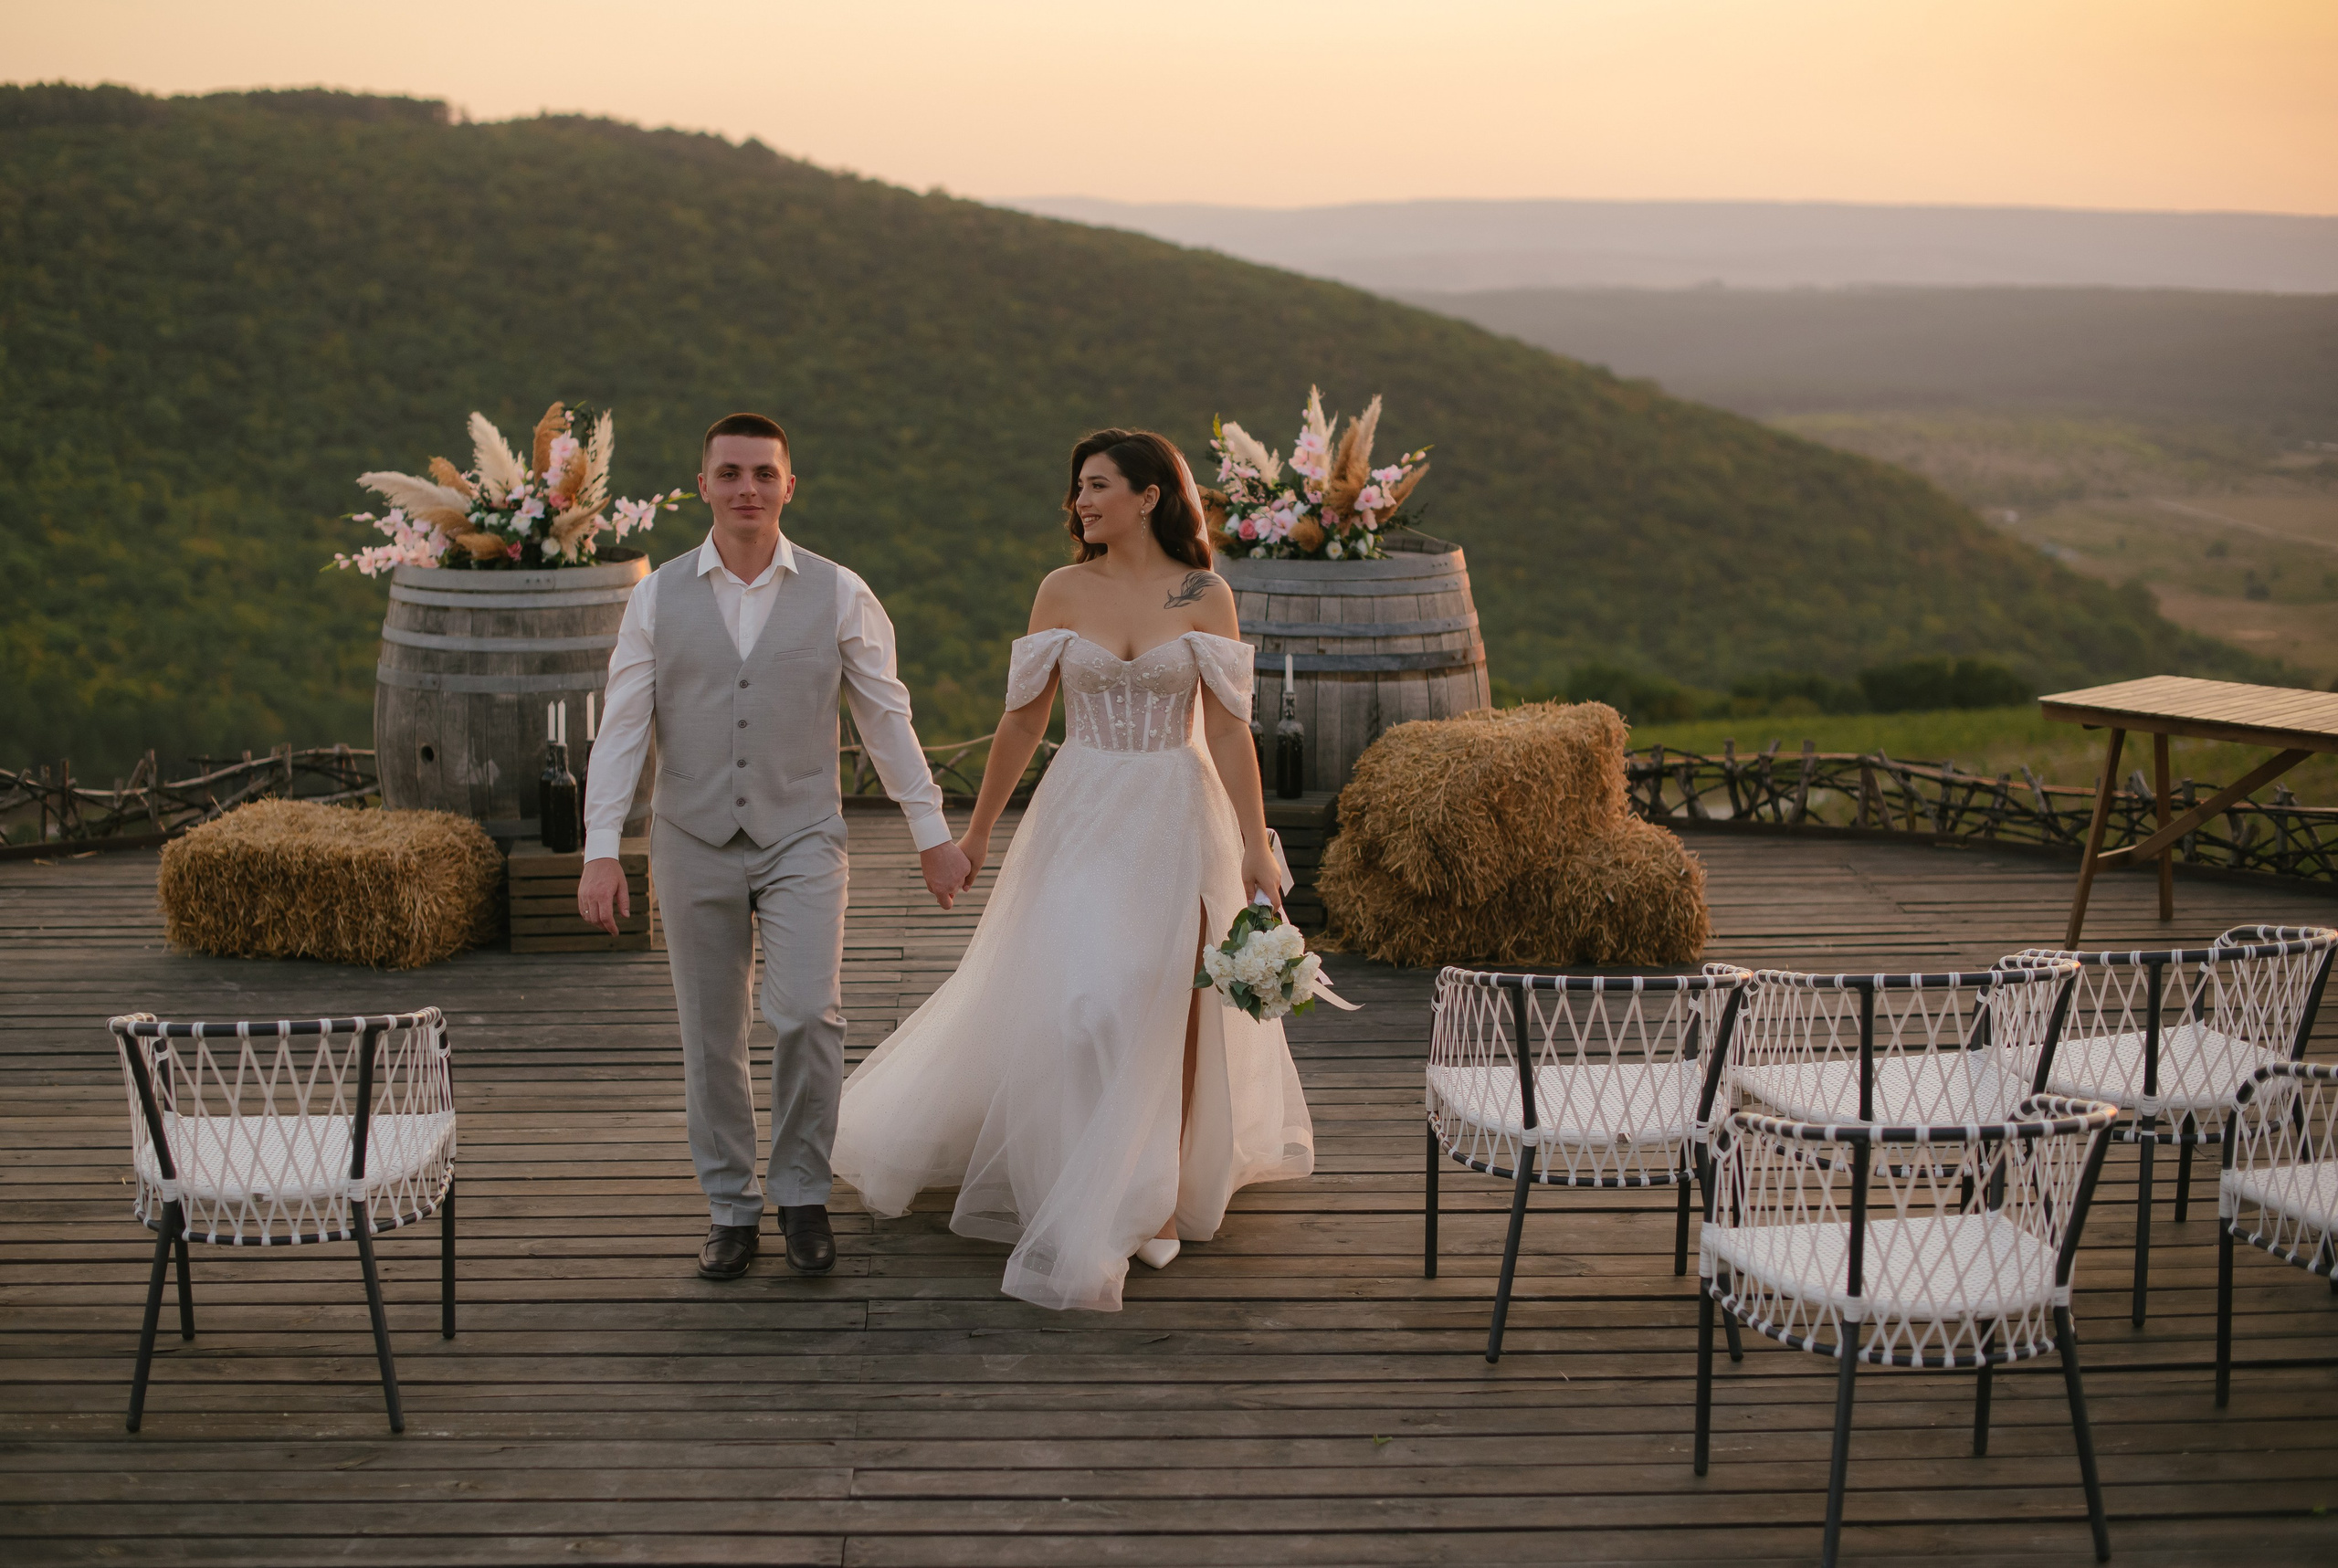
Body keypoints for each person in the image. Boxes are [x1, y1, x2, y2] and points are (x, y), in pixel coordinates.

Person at [831, 428, 1315, 1312]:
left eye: (1097, 487)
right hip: (1082, 810)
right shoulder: (1060, 588)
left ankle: (1149, 1195)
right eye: (1077, 489)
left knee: (1159, 997)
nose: (1080, 503)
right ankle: (1080, 1181)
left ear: (1148, 495)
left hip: (1177, 812)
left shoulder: (1203, 593)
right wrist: (973, 836)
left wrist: (1254, 843)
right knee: (1084, 1000)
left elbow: (1227, 729)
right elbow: (1019, 723)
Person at [577, 413, 972, 1282]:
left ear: (789, 486)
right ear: (705, 485)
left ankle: (799, 1191)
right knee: (709, 1033)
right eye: (730, 473)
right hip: (691, 837)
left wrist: (932, 834)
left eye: (763, 473)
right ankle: (729, 1204)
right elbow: (622, 731)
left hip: (802, 833)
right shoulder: (657, 595)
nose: (746, 488)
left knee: (805, 1013)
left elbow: (886, 717)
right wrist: (601, 846)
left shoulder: (839, 592)